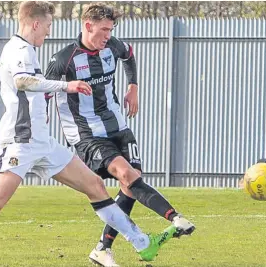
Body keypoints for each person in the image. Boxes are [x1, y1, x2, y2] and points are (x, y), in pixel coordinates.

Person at [0, 2, 179, 266]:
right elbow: (23, 81)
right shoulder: (21, 51)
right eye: (47, 25)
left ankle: (142, 242)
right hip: (20, 144)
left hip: (43, 143)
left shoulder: (19, 49)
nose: (49, 32)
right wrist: (66, 85)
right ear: (35, 23)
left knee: (95, 186)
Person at [44, 3, 195, 266]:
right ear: (88, 26)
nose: (108, 35)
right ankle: (174, 217)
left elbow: (129, 54)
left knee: (130, 185)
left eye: (111, 30)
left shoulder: (112, 46)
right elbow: (42, 92)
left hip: (119, 127)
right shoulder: (62, 60)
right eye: (103, 30)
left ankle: (103, 248)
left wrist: (133, 86)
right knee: (127, 175)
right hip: (88, 135)